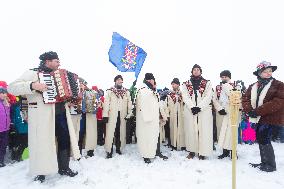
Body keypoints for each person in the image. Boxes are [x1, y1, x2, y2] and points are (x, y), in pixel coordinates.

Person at [8, 51, 80, 182]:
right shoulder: (33, 73)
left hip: (61, 114)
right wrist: (32, 85)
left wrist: (69, 99)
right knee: (42, 142)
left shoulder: (60, 75)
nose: (59, 63)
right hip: (42, 116)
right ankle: (40, 172)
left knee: (64, 140)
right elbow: (11, 88)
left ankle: (64, 167)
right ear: (48, 61)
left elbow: (64, 94)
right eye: (56, 61)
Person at [242, 61, 284, 172]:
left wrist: (258, 111)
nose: (269, 73)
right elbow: (245, 99)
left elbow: (278, 102)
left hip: (270, 117)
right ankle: (264, 162)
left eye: (270, 71)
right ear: (259, 73)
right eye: (265, 71)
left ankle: (270, 165)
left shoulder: (279, 85)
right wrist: (249, 110)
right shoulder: (252, 86)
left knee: (264, 138)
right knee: (260, 138)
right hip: (256, 117)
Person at [181, 64, 214, 160]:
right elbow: (185, 96)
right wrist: (192, 107)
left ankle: (202, 152)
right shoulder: (186, 84)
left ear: (200, 71)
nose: (196, 71)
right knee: (191, 131)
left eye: (198, 69)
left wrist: (199, 107)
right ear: (192, 71)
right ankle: (192, 151)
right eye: (194, 70)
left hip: (203, 111)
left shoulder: (207, 83)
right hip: (190, 110)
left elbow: (208, 96)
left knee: (203, 131)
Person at [102, 75, 132, 158]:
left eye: (121, 80)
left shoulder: (126, 92)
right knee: (110, 133)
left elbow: (129, 103)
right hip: (112, 115)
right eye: (118, 80)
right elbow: (106, 103)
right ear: (115, 81)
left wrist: (129, 114)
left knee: (120, 133)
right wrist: (105, 115)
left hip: (122, 115)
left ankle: (119, 148)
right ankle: (109, 150)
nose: (120, 81)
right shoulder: (110, 91)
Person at [136, 73, 162, 163]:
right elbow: (142, 104)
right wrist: (148, 117)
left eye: (152, 79)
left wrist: (161, 114)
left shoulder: (153, 90)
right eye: (149, 79)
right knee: (145, 137)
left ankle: (154, 152)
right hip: (146, 119)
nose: (151, 80)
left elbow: (158, 103)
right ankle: (145, 155)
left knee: (154, 137)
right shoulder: (143, 90)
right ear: (146, 80)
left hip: (154, 118)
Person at [213, 70, 238, 159]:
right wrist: (219, 108)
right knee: (222, 132)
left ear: (229, 77)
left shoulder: (235, 85)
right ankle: (225, 152)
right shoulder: (217, 87)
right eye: (222, 77)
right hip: (221, 112)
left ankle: (234, 152)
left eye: (225, 77)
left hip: (231, 112)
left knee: (231, 133)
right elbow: (214, 99)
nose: (224, 78)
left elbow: (237, 98)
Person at [167, 78, 185, 150]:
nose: (173, 85)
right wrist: (167, 114)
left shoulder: (182, 93)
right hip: (173, 114)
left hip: (181, 113)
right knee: (173, 129)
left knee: (181, 129)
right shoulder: (170, 94)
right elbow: (167, 105)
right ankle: (173, 144)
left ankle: (182, 144)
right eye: (172, 84)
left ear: (178, 85)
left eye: (174, 84)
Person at [0, 81, 11, 167]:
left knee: (3, 145)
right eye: (2, 93)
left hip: (6, 128)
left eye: (5, 93)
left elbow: (7, 115)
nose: (4, 95)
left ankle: (1, 161)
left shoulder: (6, 103)